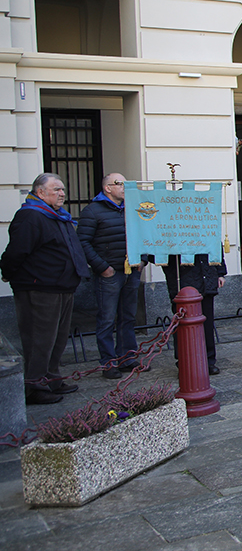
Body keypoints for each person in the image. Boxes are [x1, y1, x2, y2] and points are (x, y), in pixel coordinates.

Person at [1, 173, 91, 404]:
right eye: (56, 189)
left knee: (58, 338)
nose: (62, 193)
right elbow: (16, 252)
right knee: (39, 339)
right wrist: (9, 274)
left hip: (62, 286)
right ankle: (34, 386)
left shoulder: (57, 216)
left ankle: (51, 379)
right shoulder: (30, 216)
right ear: (40, 192)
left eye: (63, 189)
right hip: (39, 288)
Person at [77, 173, 143, 376]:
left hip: (131, 271)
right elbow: (83, 242)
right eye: (119, 184)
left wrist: (143, 259)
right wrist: (102, 267)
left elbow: (144, 233)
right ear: (107, 188)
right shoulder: (92, 211)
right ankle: (108, 362)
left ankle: (127, 357)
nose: (124, 187)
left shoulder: (132, 209)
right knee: (106, 319)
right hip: (109, 273)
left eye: (125, 183)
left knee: (128, 317)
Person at [161, 254, 227, 375]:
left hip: (206, 278)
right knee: (183, 326)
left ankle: (208, 361)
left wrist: (220, 272)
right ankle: (184, 362)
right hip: (183, 279)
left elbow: (215, 246)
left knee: (207, 325)